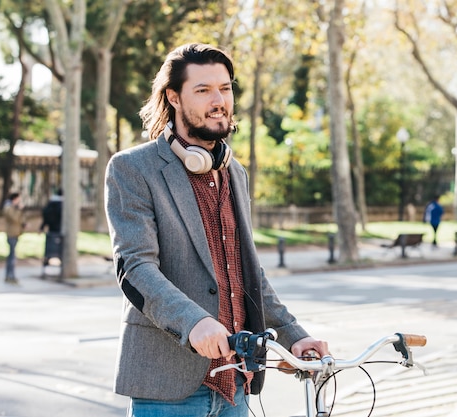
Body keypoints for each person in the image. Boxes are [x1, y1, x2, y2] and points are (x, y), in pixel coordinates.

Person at [104, 43, 329, 417]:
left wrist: (295, 335)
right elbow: (136, 268)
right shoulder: (133, 169)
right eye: (203, 90)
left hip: (236, 386)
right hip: (168, 389)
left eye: (225, 89)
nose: (219, 100)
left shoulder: (234, 172)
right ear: (173, 97)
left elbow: (248, 275)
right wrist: (194, 322)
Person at [3, 192, 25, 284]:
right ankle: (10, 276)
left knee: (11, 255)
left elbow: (21, 219)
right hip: (11, 233)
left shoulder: (13, 208)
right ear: (14, 199)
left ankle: (9, 275)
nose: (19, 201)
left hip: (16, 233)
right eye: (18, 199)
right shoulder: (8, 208)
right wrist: (19, 209)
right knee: (12, 256)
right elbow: (15, 218)